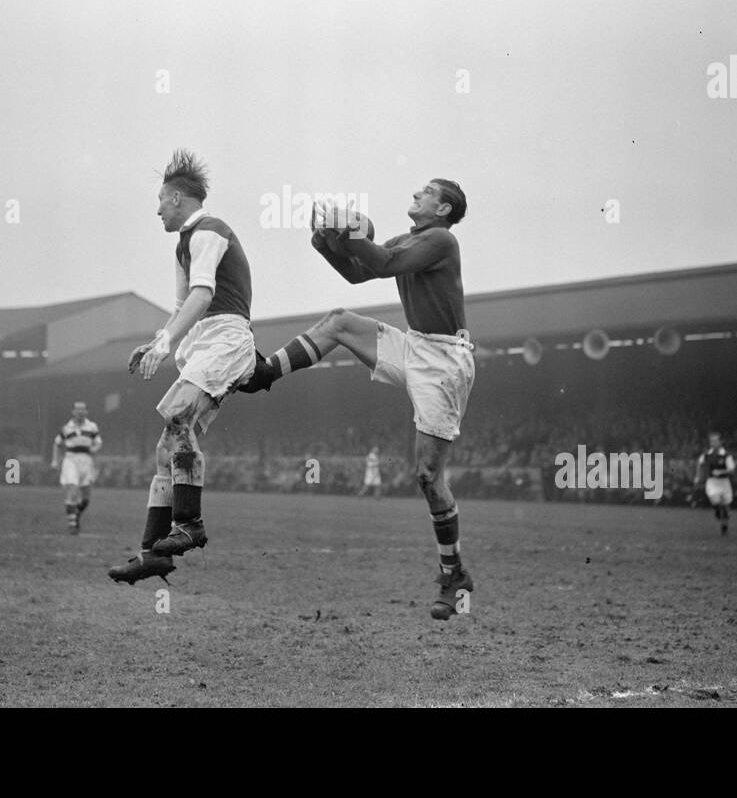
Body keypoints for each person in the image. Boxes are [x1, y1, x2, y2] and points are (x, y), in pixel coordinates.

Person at [240, 179, 475, 620]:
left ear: (443, 208)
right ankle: (264, 372)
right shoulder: (411, 238)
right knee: (339, 322)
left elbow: (382, 263)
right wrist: (325, 241)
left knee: (426, 477)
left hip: (445, 361)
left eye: (426, 192)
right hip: (418, 345)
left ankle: (453, 572)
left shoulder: (442, 239)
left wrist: (348, 230)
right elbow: (358, 272)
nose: (416, 194)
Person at [107, 150, 257, 585]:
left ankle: (189, 523)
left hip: (226, 341)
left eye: (160, 200)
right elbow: (181, 305)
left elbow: (204, 295)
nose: (157, 209)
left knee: (177, 419)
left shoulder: (208, 231)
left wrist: (167, 343)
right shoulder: (184, 245)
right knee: (164, 449)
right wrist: (159, 342)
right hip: (205, 345)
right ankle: (153, 553)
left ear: (176, 198)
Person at [52, 401, 101, 533]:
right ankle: (72, 524)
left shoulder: (92, 427)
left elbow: (98, 443)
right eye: (78, 409)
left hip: (86, 460)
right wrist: (55, 461)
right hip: (71, 459)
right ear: (73, 412)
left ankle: (76, 514)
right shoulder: (66, 428)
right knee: (73, 488)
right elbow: (57, 444)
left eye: (83, 409)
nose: (80, 412)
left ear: (86, 411)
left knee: (86, 497)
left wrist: (94, 449)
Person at [694, 431, 735, 535]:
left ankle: (724, 528)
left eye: (715, 441)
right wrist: (698, 476)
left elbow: (732, 470)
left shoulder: (726, 455)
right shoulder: (707, 455)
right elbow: (699, 463)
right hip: (712, 482)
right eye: (711, 441)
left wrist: (721, 471)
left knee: (726, 506)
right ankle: (717, 509)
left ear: (720, 442)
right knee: (715, 499)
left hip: (724, 482)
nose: (713, 443)